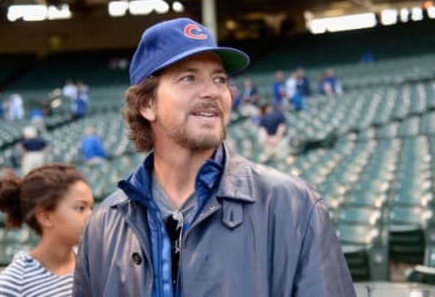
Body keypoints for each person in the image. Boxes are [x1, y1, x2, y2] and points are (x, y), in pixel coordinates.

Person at [73, 17, 355, 297]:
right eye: (188, 78)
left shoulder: (294, 206)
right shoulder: (103, 224)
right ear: (147, 104)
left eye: (219, 79)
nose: (212, 92)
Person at [0, 164, 94, 297]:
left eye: (91, 207)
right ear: (46, 217)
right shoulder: (14, 283)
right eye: (80, 208)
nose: (91, 216)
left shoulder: (92, 262)